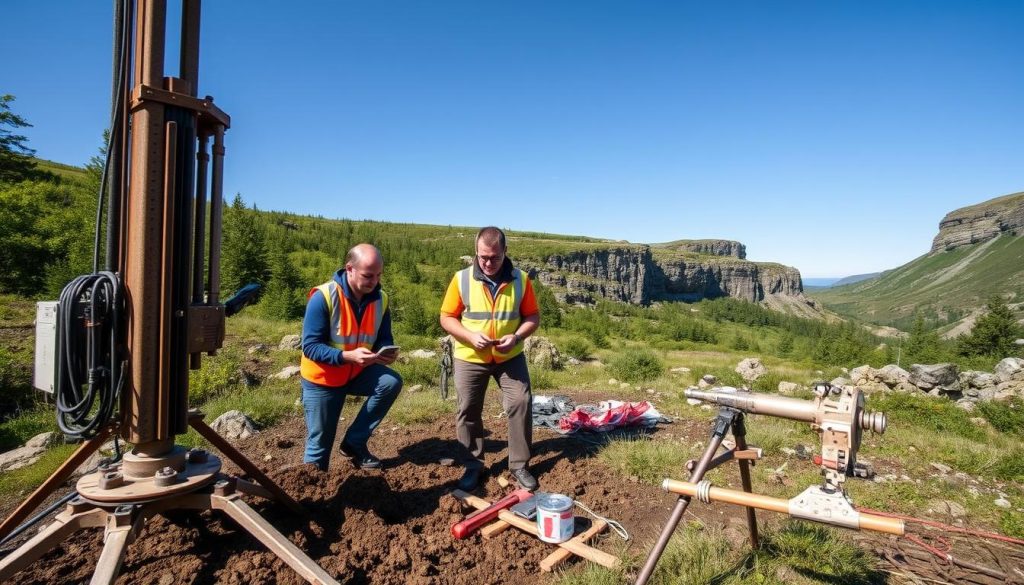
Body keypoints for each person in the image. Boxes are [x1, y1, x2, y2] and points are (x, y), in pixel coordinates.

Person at [440, 227, 541, 491]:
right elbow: (446, 317)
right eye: (482, 257)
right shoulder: (461, 279)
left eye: (494, 258)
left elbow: (533, 317)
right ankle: (473, 465)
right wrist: (470, 336)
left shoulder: (521, 280)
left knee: (521, 401)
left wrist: (517, 338)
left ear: (505, 253)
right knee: (468, 408)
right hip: (470, 355)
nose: (487, 263)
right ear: (476, 251)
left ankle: (519, 465)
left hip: (510, 356)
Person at [299, 243, 403, 470]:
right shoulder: (323, 297)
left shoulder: (381, 299)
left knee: (390, 382)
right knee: (319, 447)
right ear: (349, 269)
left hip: (356, 371)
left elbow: (384, 337)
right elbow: (310, 346)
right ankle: (308, 500)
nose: (374, 281)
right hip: (322, 380)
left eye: (378, 275)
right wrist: (347, 356)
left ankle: (354, 443)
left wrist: (384, 352)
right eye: (368, 275)